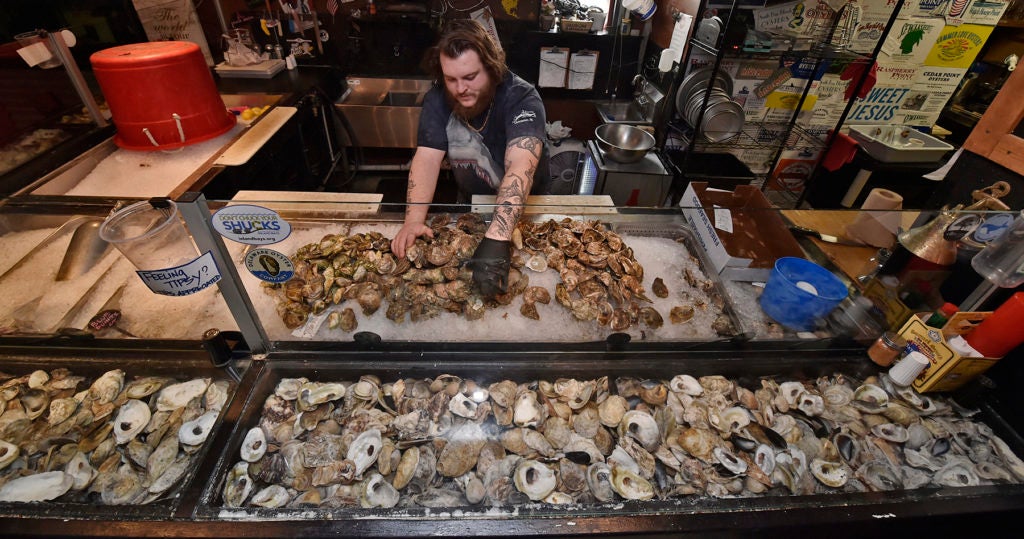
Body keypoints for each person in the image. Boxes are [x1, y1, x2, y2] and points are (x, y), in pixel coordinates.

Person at [390, 19, 551, 298]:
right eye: (451, 79)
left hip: (524, 206)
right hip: (471, 203)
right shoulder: (438, 98)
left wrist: (499, 236)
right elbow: (427, 158)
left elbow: (520, 165)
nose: (460, 89)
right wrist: (413, 220)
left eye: (470, 77)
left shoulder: (521, 97)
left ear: (491, 68)